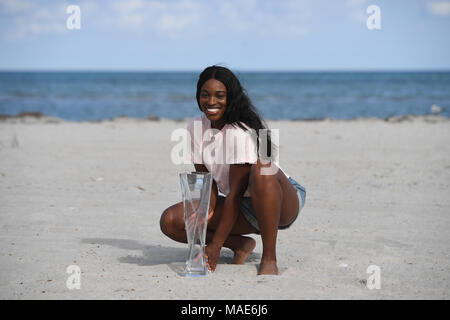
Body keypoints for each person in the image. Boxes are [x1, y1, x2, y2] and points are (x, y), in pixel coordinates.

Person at [160, 65, 306, 275]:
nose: (211, 102)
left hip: (279, 201)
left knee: (262, 169)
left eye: (220, 96)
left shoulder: (240, 131)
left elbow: (235, 196)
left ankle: (269, 258)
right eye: (205, 95)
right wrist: (204, 214)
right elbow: (205, 181)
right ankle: (239, 244)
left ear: (231, 97)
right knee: (171, 221)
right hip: (244, 209)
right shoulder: (195, 127)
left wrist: (215, 244)